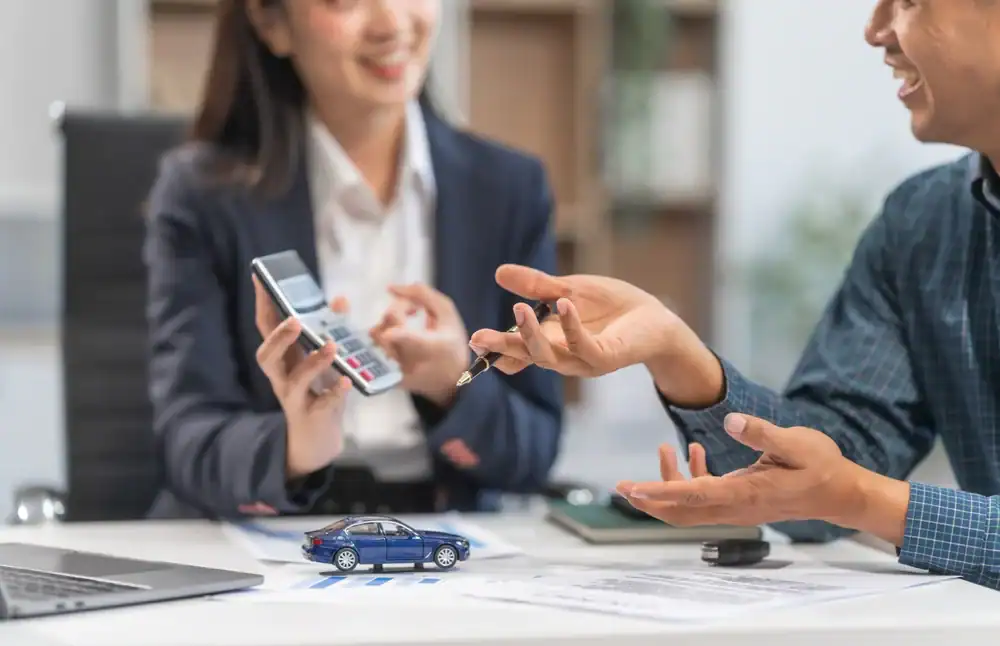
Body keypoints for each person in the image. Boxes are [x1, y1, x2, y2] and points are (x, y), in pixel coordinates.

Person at [469, 0, 1000, 593]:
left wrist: (859, 497)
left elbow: (848, 488)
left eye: (907, 2)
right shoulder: (923, 222)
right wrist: (679, 356)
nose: (876, 31)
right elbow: (827, 473)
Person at [142, 0, 562, 520]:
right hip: (266, 537)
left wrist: (455, 381)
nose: (391, 23)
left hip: (440, 539)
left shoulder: (509, 190)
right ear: (273, 24)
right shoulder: (201, 195)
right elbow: (187, 438)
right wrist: (297, 446)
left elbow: (536, 450)